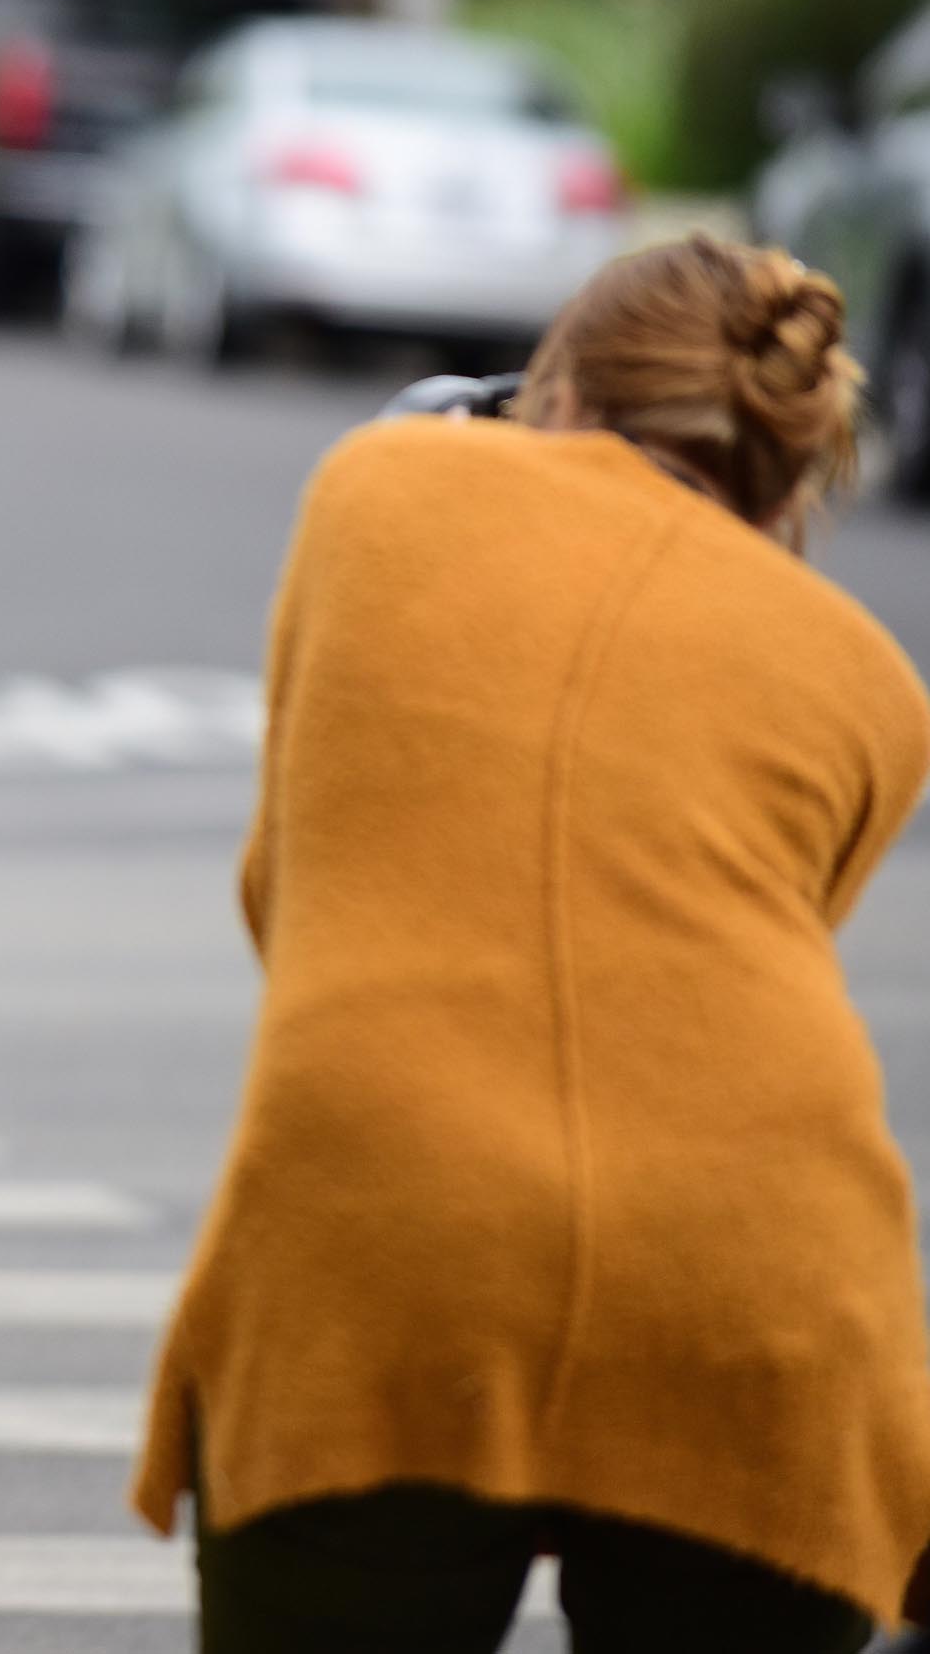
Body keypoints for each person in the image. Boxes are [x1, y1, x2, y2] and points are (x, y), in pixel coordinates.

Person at [133, 235, 930, 1650]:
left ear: (551, 392)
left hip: (395, 1255)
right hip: (768, 1284)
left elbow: (290, 900)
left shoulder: (380, 490)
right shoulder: (870, 676)